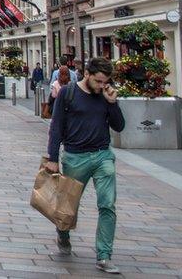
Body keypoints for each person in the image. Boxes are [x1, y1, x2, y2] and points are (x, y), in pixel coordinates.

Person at [45, 57, 125, 274]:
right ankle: (63, 235)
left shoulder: (105, 95)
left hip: (102, 156)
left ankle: (104, 255)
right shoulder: (67, 93)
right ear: (87, 74)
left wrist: (112, 103)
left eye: (105, 82)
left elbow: (119, 126)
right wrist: (52, 157)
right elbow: (57, 126)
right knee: (67, 208)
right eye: (98, 81)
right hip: (75, 157)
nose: (101, 85)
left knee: (107, 205)